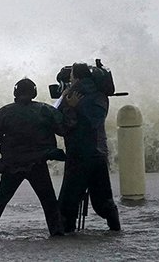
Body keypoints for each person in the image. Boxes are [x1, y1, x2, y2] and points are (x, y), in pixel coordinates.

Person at [0, 78, 67, 236]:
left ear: (15, 93)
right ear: (34, 92)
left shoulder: (6, 111)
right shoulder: (45, 110)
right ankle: (57, 233)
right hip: (37, 163)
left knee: (0, 202)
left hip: (13, 164)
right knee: (49, 202)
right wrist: (70, 108)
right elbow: (64, 128)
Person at [57, 61, 121, 233]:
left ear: (75, 77)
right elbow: (95, 121)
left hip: (78, 155)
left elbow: (63, 127)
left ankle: (68, 233)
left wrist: (69, 107)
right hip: (99, 155)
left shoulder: (71, 95)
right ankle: (116, 229)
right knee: (103, 200)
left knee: (67, 202)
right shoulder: (100, 96)